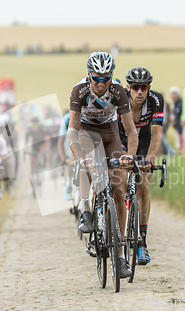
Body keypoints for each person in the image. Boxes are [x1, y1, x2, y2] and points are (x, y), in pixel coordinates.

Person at [67, 52, 138, 278]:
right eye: (96, 78)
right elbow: (72, 131)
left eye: (105, 78)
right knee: (86, 162)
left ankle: (120, 255)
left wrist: (130, 157)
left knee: (118, 188)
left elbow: (131, 132)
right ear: (89, 75)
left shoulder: (118, 91)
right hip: (86, 130)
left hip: (109, 132)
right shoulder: (79, 91)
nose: (100, 83)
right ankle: (86, 210)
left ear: (111, 77)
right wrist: (80, 158)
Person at [118, 67, 163, 265]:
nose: (139, 92)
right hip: (121, 140)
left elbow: (156, 135)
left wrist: (150, 161)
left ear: (148, 88)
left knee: (143, 185)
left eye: (143, 87)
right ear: (128, 88)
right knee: (118, 184)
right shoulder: (119, 100)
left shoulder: (156, 100)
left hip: (144, 143)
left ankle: (142, 243)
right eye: (135, 87)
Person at [57, 111, 73, 201]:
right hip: (70, 141)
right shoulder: (67, 119)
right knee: (70, 157)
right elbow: (60, 142)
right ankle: (69, 184)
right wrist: (64, 159)